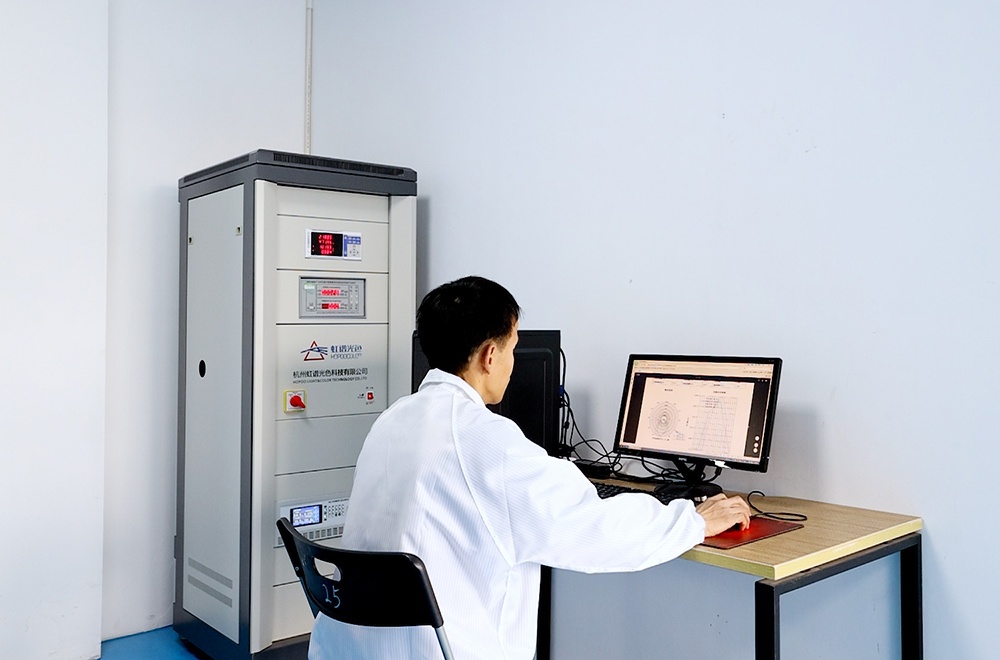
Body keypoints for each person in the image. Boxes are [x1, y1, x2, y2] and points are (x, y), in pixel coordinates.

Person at [308, 276, 751, 660]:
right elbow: (593, 529)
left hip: (352, 648)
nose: (513, 361)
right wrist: (693, 520)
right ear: (489, 356)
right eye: (513, 347)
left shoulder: (393, 420)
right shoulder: (485, 440)